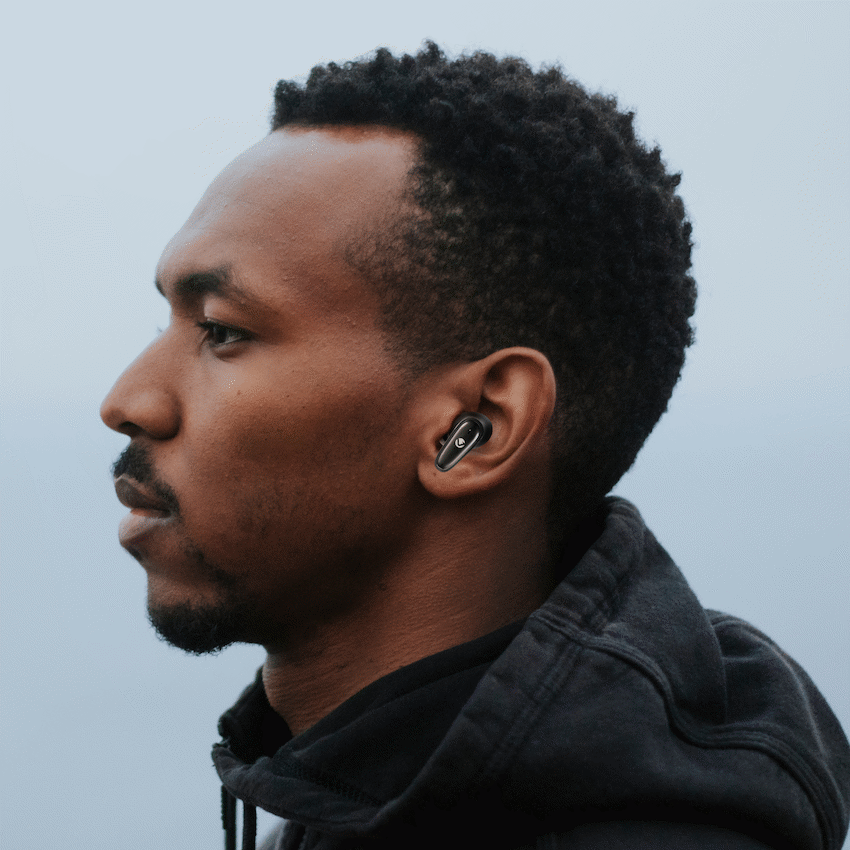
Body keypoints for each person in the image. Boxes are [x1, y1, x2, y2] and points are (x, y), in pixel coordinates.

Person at [100, 42, 850, 850]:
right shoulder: (353, 797)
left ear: (478, 426)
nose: (127, 401)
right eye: (167, 322)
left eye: (222, 331)